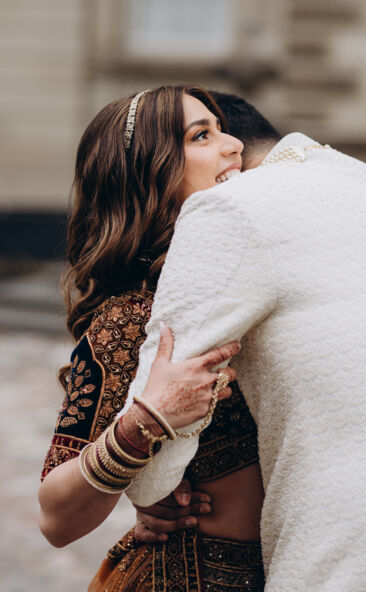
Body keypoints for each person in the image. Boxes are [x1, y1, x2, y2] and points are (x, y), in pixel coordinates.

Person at [122, 94, 366, 591]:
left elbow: (148, 472)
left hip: (356, 550)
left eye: (212, 130)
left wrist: (147, 479)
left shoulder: (227, 208)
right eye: (200, 135)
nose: (225, 145)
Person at [39, 86, 267, 591]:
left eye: (223, 130)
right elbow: (56, 520)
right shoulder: (134, 320)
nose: (234, 145)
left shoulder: (262, 282)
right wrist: (144, 424)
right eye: (201, 136)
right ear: (152, 174)